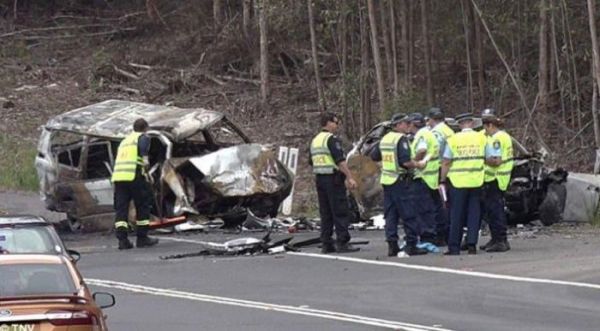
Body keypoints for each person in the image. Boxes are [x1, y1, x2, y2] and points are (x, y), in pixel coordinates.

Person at [440, 113, 499, 255]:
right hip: (476, 181)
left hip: (458, 182)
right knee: (474, 214)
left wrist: (442, 179)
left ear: (459, 124)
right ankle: (472, 245)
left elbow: (447, 161)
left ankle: (454, 247)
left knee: (456, 215)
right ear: (472, 123)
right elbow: (491, 159)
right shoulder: (482, 138)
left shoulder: (453, 139)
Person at [371, 113, 428, 256]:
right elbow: (405, 162)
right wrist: (419, 164)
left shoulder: (385, 138)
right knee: (408, 213)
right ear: (398, 125)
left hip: (387, 180)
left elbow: (374, 155)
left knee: (391, 214)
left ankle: (392, 245)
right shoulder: (400, 139)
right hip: (400, 180)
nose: (408, 125)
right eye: (405, 123)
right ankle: (411, 244)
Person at [309, 112, 359, 254]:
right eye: (336, 123)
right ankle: (342, 242)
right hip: (333, 178)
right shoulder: (331, 140)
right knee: (340, 210)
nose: (337, 126)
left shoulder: (315, 140)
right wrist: (349, 177)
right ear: (329, 123)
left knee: (325, 212)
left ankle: (326, 243)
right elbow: (340, 161)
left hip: (320, 179)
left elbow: (310, 161)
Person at [112, 118, 159, 250]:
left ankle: (122, 240)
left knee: (121, 209)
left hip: (119, 177)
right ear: (145, 128)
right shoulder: (142, 137)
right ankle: (142, 238)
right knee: (142, 205)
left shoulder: (124, 141)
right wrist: (147, 171)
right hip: (134, 176)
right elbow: (144, 156)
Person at [480, 108, 514, 252]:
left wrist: (481, 159)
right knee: (492, 211)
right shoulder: (503, 136)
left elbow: (496, 161)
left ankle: (500, 240)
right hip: (498, 178)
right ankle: (496, 239)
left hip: (495, 178)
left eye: (485, 127)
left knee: (495, 211)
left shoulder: (497, 139)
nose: (484, 131)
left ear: (490, 126)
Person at [407, 112, 440, 246]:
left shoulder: (421, 135)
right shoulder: (428, 133)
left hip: (423, 176)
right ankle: (432, 235)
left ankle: (427, 237)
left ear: (413, 124)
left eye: (409, 123)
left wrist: (412, 163)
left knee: (423, 210)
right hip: (431, 177)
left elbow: (422, 150)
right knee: (431, 208)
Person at [426, 107, 454, 244]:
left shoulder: (436, 132)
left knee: (439, 204)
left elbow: (434, 150)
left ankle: (441, 234)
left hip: (438, 169)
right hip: (451, 170)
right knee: (447, 203)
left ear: (432, 119)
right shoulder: (449, 130)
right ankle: (448, 232)